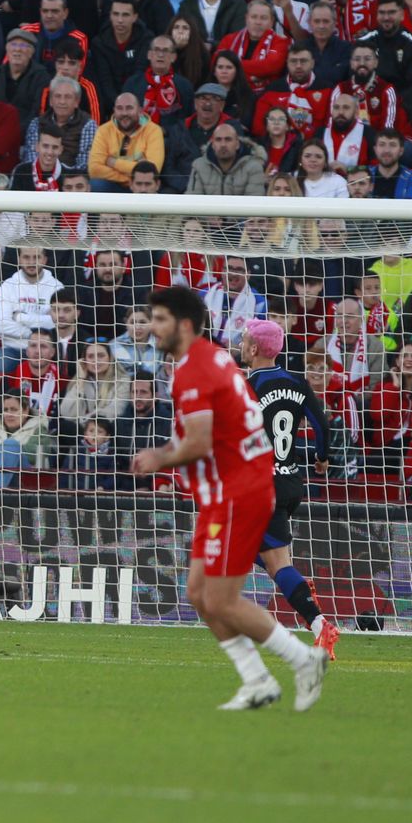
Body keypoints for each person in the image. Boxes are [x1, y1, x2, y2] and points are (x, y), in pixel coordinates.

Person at [131, 286, 328, 711]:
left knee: (219, 597)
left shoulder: (196, 369)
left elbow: (199, 442)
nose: (152, 326)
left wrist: (157, 458)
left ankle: (304, 658)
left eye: (160, 319)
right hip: (228, 489)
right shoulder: (215, 359)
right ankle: (257, 679)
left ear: (183, 325)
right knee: (199, 593)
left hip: (242, 492)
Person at [240, 319, 340, 660]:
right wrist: (322, 458)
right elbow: (322, 424)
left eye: (243, 340)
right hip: (290, 481)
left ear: (253, 349)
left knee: (275, 563)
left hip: (259, 485)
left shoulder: (246, 386)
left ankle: (318, 621)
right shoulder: (297, 382)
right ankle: (295, 584)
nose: (240, 345)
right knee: (252, 551)